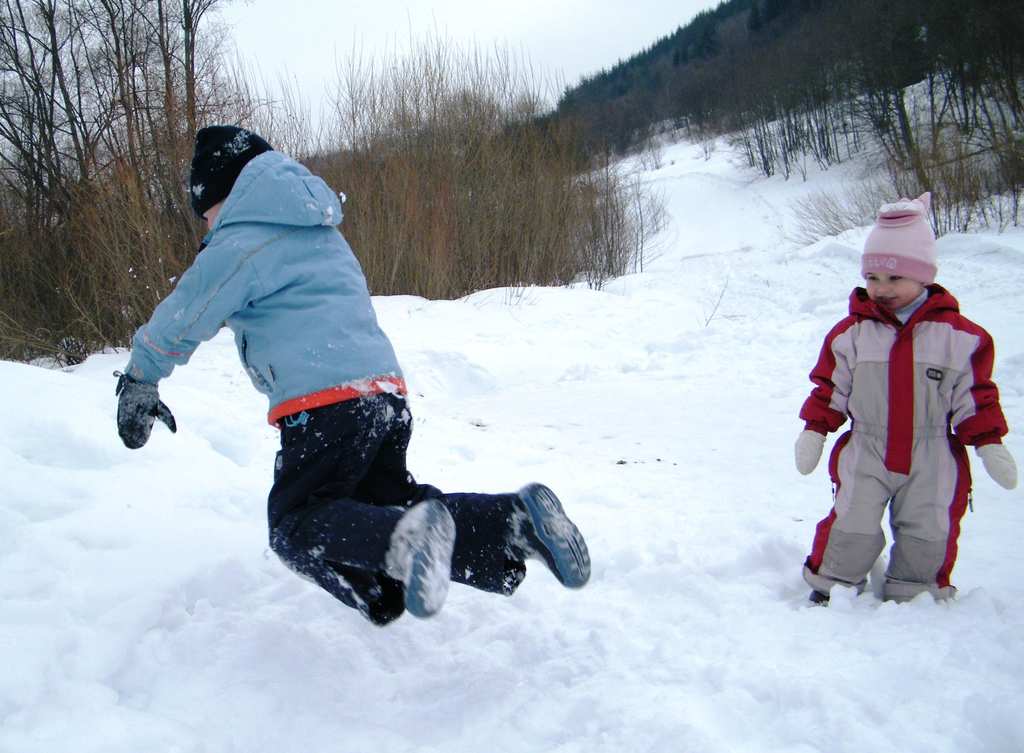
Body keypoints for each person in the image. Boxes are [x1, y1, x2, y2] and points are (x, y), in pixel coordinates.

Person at [115, 125, 590, 625]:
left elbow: (186, 312)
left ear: (226, 193)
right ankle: (512, 526)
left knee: (297, 523)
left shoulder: (241, 241)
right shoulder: (319, 229)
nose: (206, 227)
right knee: (388, 503)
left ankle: (400, 547)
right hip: (382, 394)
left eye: (206, 213)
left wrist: (141, 378)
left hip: (322, 404)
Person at [794, 192, 1017, 605]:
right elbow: (831, 387)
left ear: (924, 275)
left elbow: (975, 396)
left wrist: (988, 442)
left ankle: (916, 591)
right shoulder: (852, 335)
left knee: (929, 524)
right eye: (873, 278)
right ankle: (834, 585)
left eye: (894, 278)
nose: (881, 289)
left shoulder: (960, 337)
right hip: (867, 448)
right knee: (852, 519)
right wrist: (815, 429)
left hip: (932, 452)